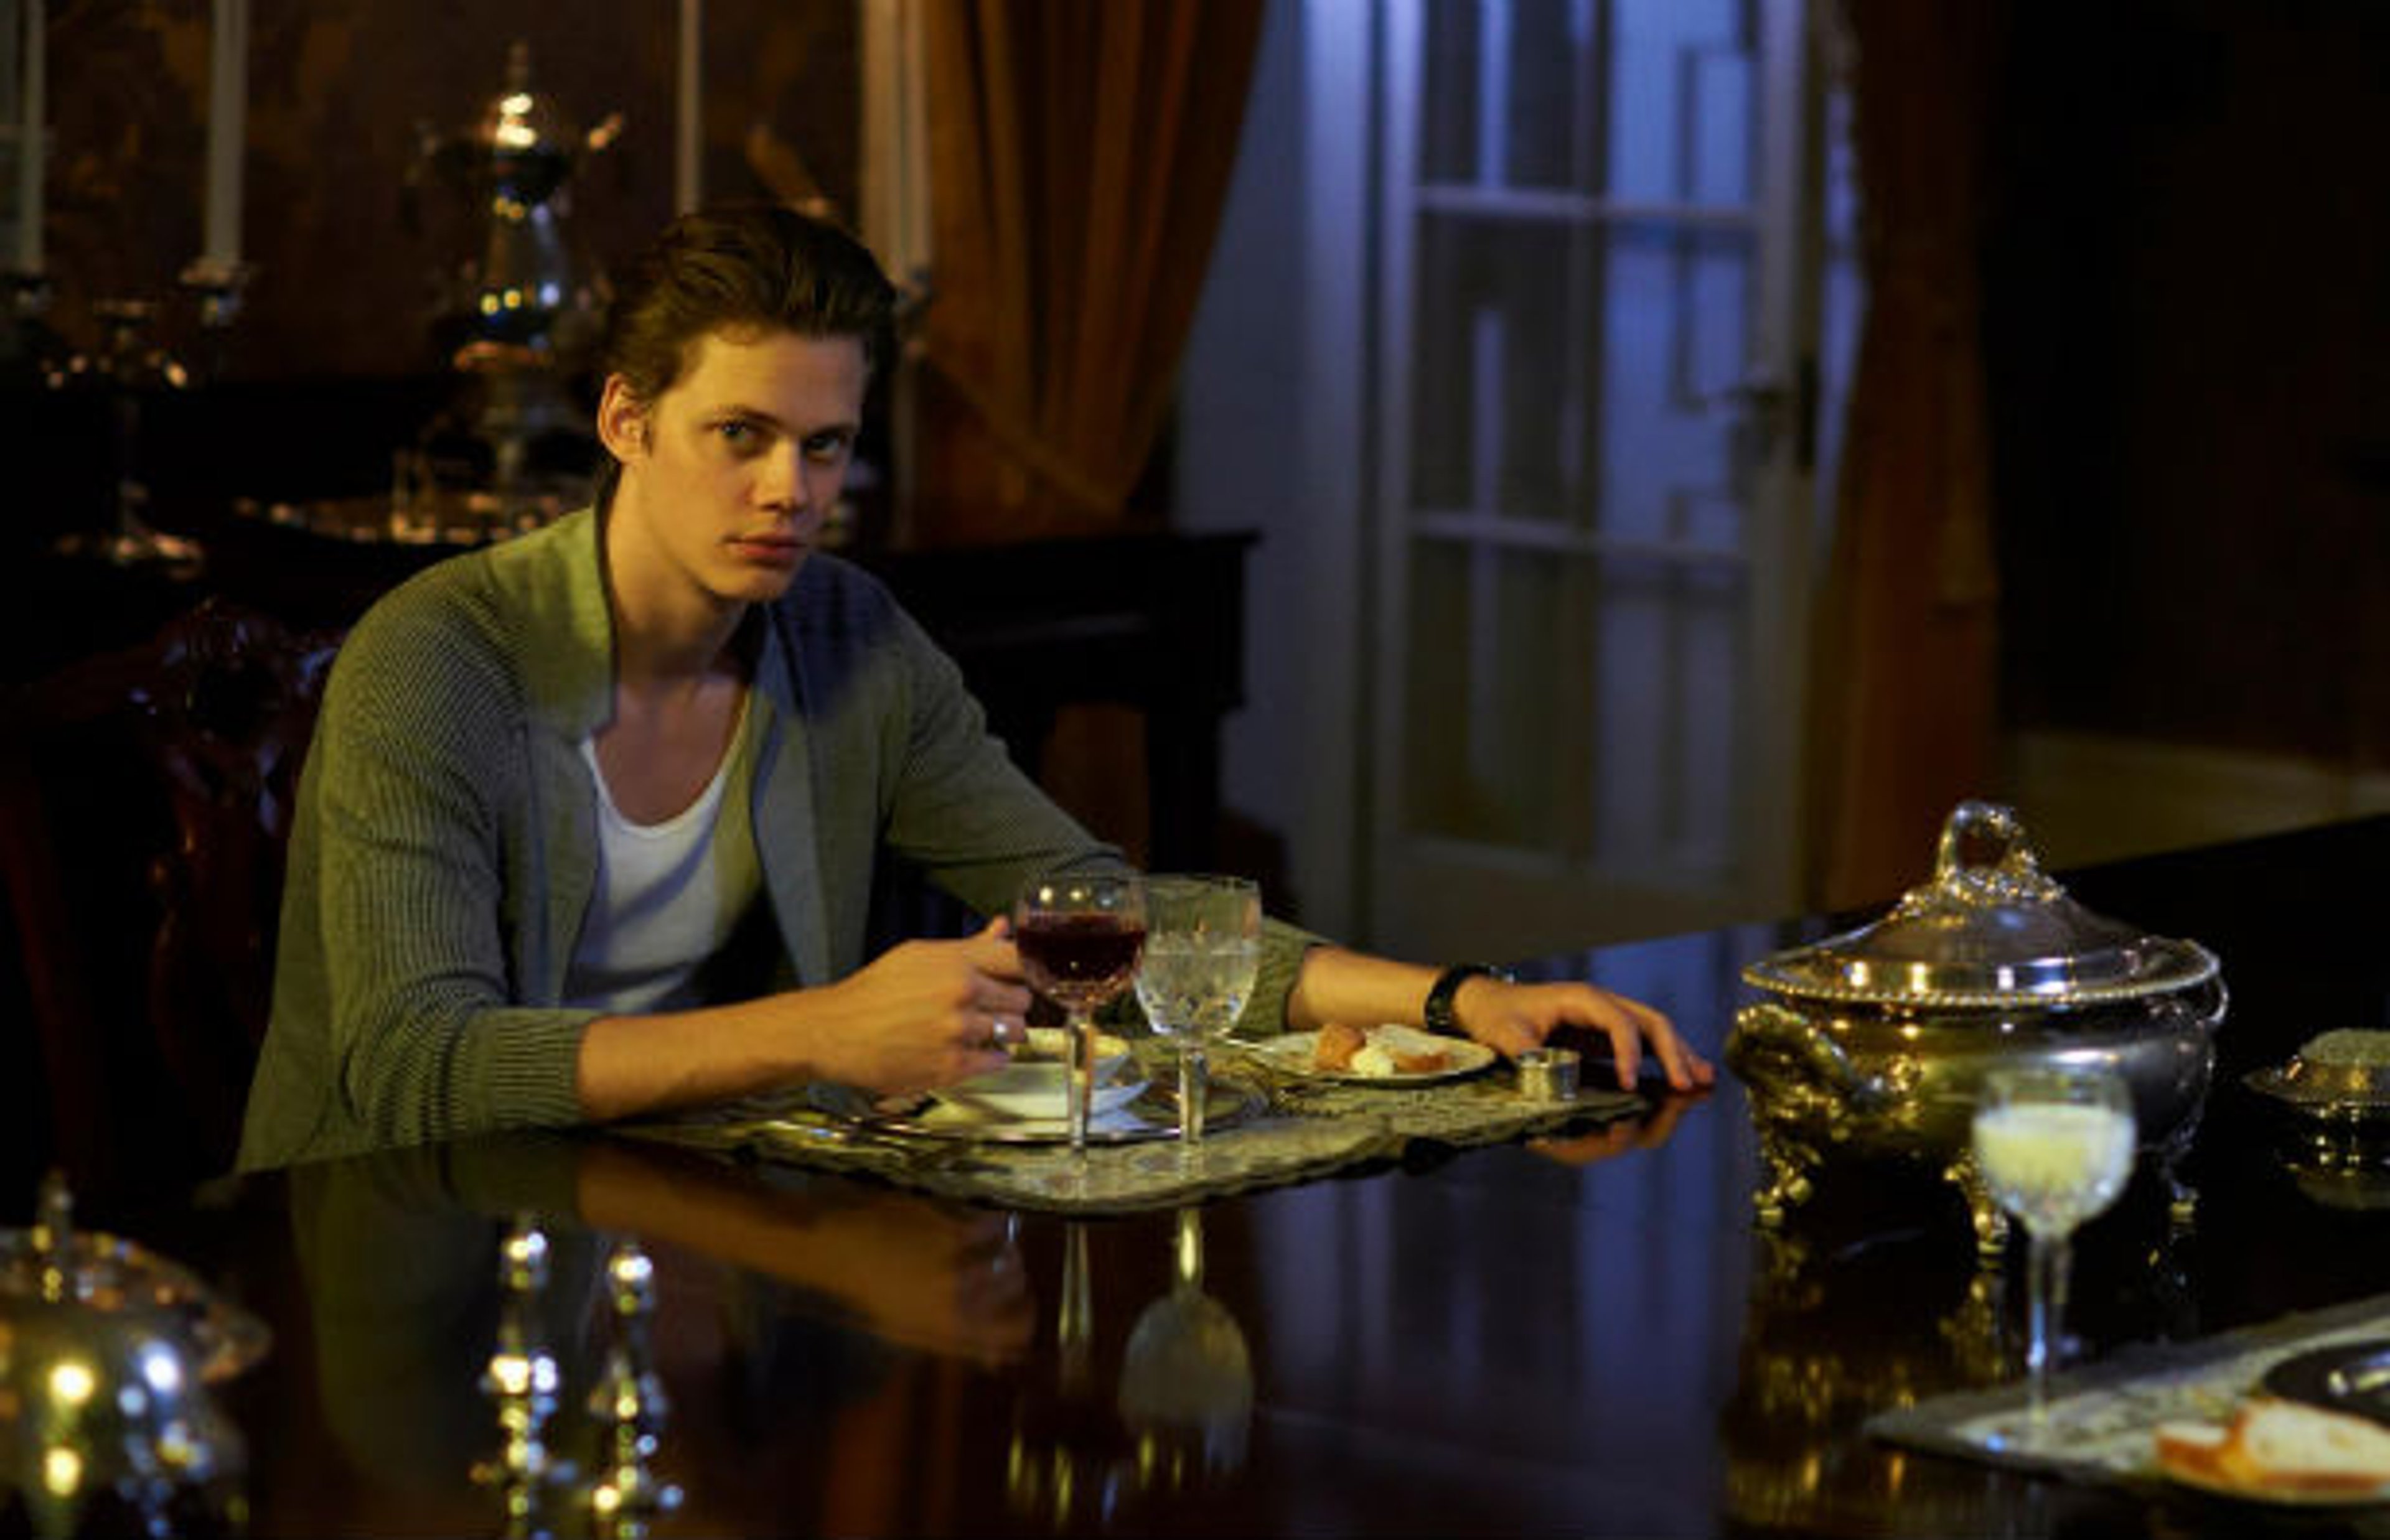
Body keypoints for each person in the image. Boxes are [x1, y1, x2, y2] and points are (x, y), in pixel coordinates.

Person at [237, 204, 1709, 1171]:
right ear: (625, 419)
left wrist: (1464, 997)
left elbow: (1097, 908)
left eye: (825, 445)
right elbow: (412, 1066)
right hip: (396, 1253)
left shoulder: (849, 634)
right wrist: (821, 1029)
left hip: (701, 1211)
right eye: (741, 431)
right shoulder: (436, 660)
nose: (787, 490)